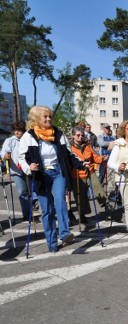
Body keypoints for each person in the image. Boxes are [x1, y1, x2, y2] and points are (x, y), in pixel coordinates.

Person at [18, 106, 89, 252]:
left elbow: (69, 155)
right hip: (40, 175)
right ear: (36, 119)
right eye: (45, 117)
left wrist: (82, 164)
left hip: (58, 172)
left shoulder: (58, 134)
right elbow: (21, 158)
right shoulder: (29, 136)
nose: (49, 119)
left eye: (50, 116)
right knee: (47, 210)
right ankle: (51, 243)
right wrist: (29, 167)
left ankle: (64, 233)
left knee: (60, 201)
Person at [69, 126, 109, 225]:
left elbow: (95, 158)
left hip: (90, 172)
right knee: (81, 197)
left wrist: (102, 159)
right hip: (77, 175)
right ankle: (82, 215)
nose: (80, 137)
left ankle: (106, 207)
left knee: (98, 188)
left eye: (82, 135)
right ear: (73, 136)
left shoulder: (87, 146)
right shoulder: (70, 148)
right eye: (78, 135)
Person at [1, 120, 36, 220]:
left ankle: (36, 205)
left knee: (34, 190)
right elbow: (4, 152)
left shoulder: (28, 139)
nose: (16, 132)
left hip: (29, 169)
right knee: (22, 192)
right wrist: (5, 156)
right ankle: (27, 214)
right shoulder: (10, 141)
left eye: (19, 130)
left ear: (23, 131)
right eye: (15, 130)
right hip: (17, 171)